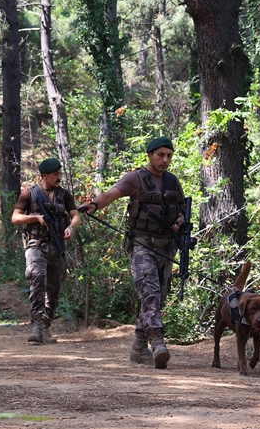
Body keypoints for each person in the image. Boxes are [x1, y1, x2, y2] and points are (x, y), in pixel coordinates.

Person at [79, 137, 185, 369]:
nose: (165, 159)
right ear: (150, 155)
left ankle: (138, 347)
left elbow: (182, 210)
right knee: (150, 294)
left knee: (158, 298)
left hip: (166, 247)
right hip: (142, 246)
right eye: (160, 154)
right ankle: (157, 342)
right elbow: (110, 195)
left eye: (169, 155)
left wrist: (180, 221)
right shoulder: (135, 179)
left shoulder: (173, 182)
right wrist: (93, 205)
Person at [11, 158, 81, 344]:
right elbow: (16, 217)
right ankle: (35, 324)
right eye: (55, 174)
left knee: (55, 288)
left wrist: (70, 228)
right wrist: (35, 217)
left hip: (57, 246)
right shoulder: (29, 194)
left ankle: (45, 326)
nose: (59, 177)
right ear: (45, 176)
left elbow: (75, 216)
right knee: (37, 278)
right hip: (37, 245)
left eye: (60, 173)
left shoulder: (64, 195)